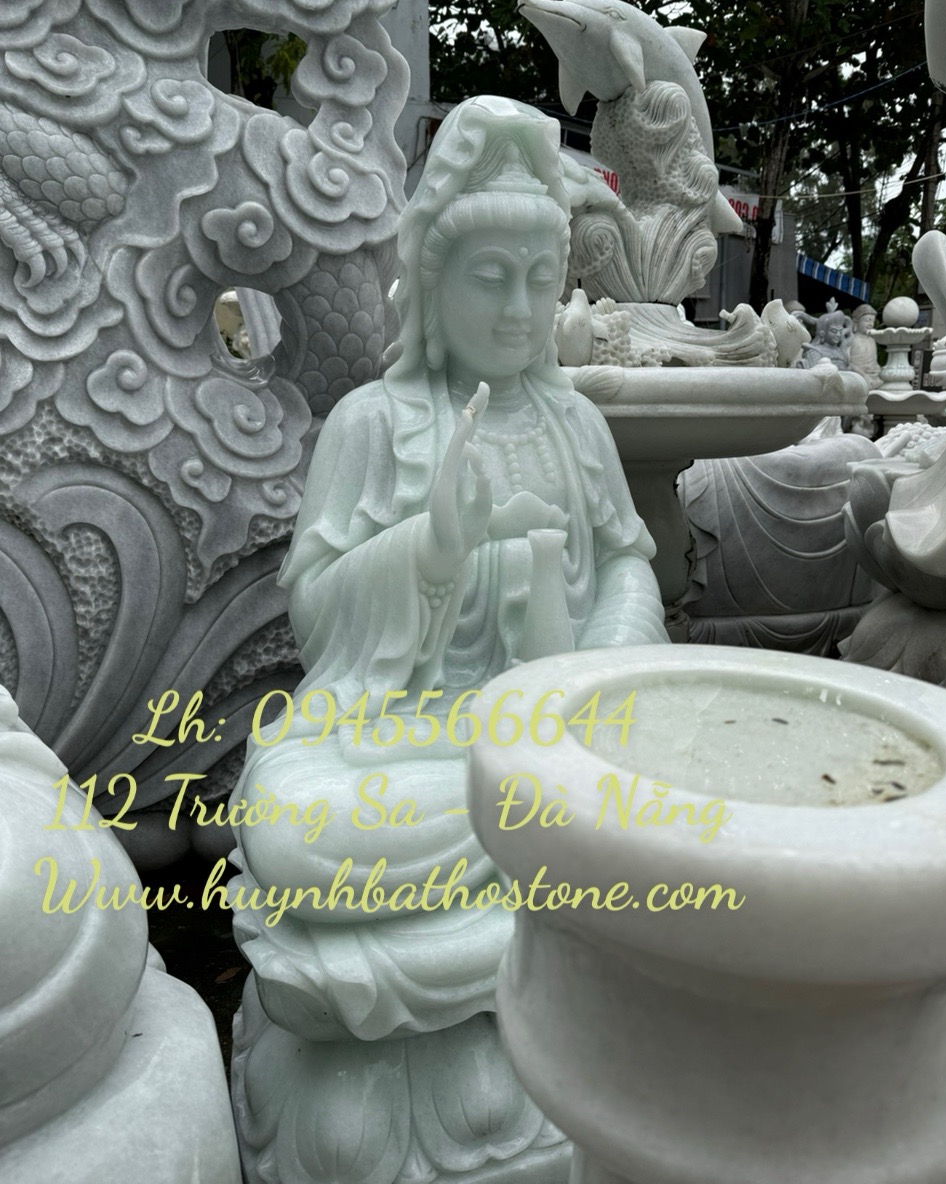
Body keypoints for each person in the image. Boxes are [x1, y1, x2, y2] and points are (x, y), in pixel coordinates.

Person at [230, 94, 667, 1038]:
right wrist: (432, 546)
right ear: (433, 285)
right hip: (407, 740)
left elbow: (627, 569)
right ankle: (558, 934)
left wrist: (591, 688)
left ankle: (505, 925)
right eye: (490, 279)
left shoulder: (577, 425)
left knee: (664, 782)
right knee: (299, 833)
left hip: (563, 743)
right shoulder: (373, 424)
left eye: (540, 280)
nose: (518, 310)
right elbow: (316, 616)